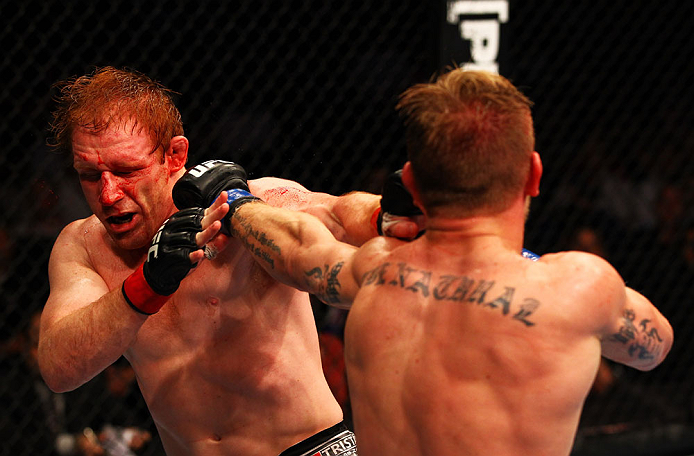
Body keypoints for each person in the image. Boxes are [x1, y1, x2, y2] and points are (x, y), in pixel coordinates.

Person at [208, 68, 674, 455]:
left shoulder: (372, 271)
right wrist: (520, 260)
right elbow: (655, 347)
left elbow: (296, 250)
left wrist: (233, 201)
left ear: (409, 181)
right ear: (534, 175)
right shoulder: (576, 287)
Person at [38, 66, 417, 455]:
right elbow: (58, 368)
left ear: (175, 155)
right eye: (88, 175)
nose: (108, 194)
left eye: (126, 170)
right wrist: (147, 284)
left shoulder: (246, 205)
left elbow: (334, 214)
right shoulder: (84, 246)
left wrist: (383, 213)